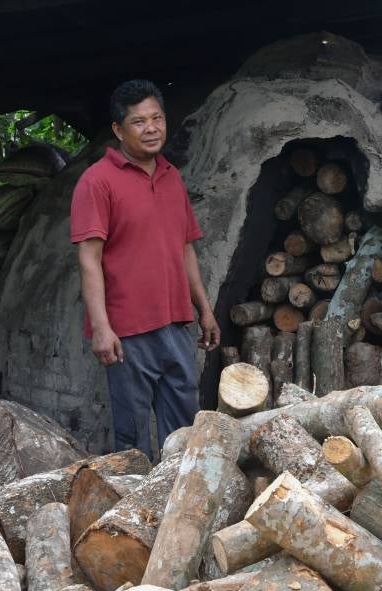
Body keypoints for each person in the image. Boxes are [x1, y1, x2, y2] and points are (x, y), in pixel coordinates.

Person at [70, 79, 220, 459]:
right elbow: (89, 258)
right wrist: (101, 327)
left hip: (175, 325)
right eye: (138, 122)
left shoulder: (171, 177)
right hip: (127, 332)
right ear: (118, 130)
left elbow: (185, 247)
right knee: (132, 440)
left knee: (183, 433)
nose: (151, 128)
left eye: (157, 118)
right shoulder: (97, 182)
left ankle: (176, 511)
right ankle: (134, 514)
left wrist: (203, 308)